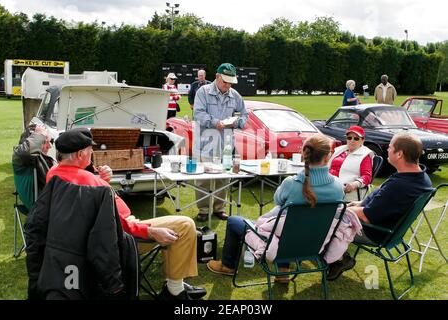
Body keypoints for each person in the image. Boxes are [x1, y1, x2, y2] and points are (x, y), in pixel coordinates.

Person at [46, 128, 206, 300]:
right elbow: (113, 222)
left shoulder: (54, 174)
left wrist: (101, 180)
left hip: (83, 243)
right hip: (121, 240)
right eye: (90, 149)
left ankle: (176, 284)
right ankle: (175, 290)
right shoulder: (90, 183)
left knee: (177, 227)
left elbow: (89, 209)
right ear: (79, 154)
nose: (93, 152)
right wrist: (149, 231)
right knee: (185, 225)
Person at [206, 134, 346, 281]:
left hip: (283, 245)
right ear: (327, 157)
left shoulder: (291, 183)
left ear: (304, 154)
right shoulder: (337, 187)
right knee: (286, 225)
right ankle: (283, 271)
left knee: (234, 221)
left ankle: (227, 266)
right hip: (315, 247)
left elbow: (278, 200)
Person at [327, 132, 433, 281]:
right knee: (333, 212)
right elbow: (382, 203)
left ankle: (339, 260)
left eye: (390, 147)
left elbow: (366, 216)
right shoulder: (420, 176)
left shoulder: (400, 185)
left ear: (400, 154)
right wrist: (359, 203)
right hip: (391, 231)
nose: (387, 150)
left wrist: (344, 209)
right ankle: (337, 256)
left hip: (375, 232)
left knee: (322, 221)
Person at [193, 63, 248, 222]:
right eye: (225, 81)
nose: (228, 85)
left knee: (224, 177)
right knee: (203, 178)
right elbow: (198, 114)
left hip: (227, 142)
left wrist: (236, 122)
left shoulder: (236, 95)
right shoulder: (202, 92)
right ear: (217, 77)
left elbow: (244, 116)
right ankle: (203, 209)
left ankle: (219, 208)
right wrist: (216, 122)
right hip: (206, 141)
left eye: (231, 82)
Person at [12, 124, 57, 209]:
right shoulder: (21, 158)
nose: (50, 146)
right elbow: (24, 153)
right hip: (43, 209)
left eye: (50, 142)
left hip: (51, 202)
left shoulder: (38, 158)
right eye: (45, 142)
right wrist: (39, 135)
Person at [328, 125, 373, 202]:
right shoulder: (340, 150)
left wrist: (355, 184)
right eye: (349, 138)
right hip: (330, 184)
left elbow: (367, 176)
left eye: (356, 138)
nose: (352, 140)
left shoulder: (365, 155)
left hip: (345, 189)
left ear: (362, 140)